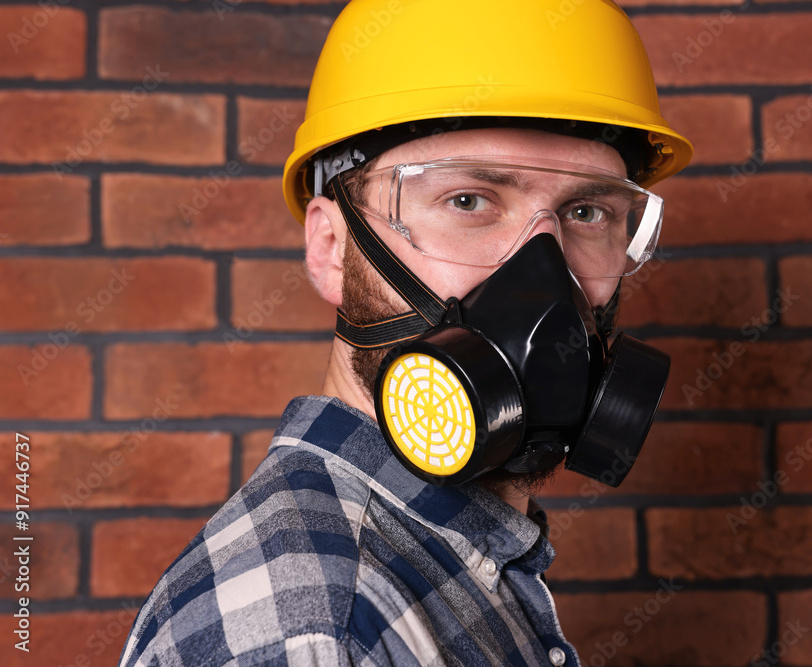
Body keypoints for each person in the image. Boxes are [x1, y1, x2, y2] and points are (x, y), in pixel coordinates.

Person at [118, 1, 692, 665]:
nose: (544, 271)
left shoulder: (432, 567)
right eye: (468, 201)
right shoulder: (319, 627)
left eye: (587, 210)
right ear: (333, 247)